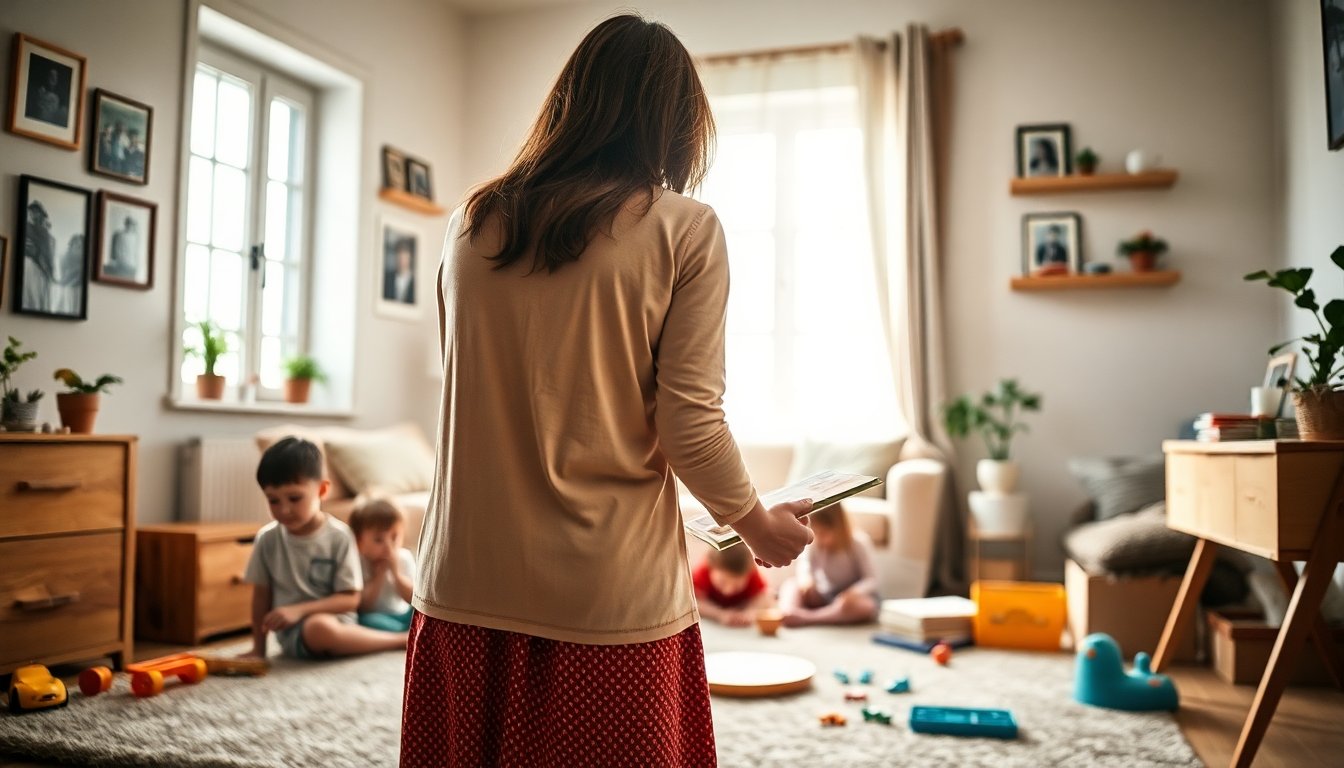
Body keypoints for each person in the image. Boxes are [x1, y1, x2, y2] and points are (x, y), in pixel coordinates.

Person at [401, 14, 813, 766]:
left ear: (570, 103)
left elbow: (473, 389)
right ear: (675, 122)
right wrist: (755, 524)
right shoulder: (684, 228)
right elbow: (688, 420)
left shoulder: (470, 220)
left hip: (461, 579)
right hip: (603, 596)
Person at [241, 437, 408, 659]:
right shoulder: (267, 539)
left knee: (320, 627)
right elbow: (261, 596)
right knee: (317, 629)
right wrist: (258, 649)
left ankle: (399, 641)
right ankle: (398, 639)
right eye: (273, 500)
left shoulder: (340, 537)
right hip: (294, 634)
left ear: (322, 490)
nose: (284, 509)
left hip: (337, 621)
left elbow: (350, 599)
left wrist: (298, 610)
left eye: (294, 498)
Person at [778, 504, 880, 627]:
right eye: (817, 532)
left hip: (848, 598)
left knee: (866, 607)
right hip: (824, 594)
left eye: (824, 532)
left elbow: (871, 579)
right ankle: (790, 612)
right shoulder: (815, 542)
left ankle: (807, 618)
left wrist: (854, 592)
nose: (820, 538)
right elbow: (805, 567)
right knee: (790, 585)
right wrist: (806, 580)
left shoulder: (858, 542)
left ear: (839, 527)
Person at [348, 495, 416, 633]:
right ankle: (404, 633)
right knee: (364, 620)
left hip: (402, 615)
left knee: (421, 613)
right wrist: (378, 576)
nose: (388, 546)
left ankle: (407, 630)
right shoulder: (357, 561)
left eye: (394, 537)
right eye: (378, 540)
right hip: (375, 616)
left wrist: (396, 575)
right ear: (359, 541)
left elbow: (414, 599)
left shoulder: (404, 558)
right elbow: (363, 606)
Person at [692, 544, 772, 627]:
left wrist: (750, 613)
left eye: (737, 585)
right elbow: (694, 602)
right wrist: (719, 614)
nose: (728, 591)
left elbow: (765, 597)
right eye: (722, 582)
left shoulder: (752, 573)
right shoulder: (703, 570)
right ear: (710, 567)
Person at [22, 201, 55, 313]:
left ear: (42, 214)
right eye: (31, 211)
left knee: (38, 300)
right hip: (31, 266)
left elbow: (48, 255)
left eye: (36, 212)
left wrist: (48, 269)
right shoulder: (27, 228)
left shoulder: (47, 235)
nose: (33, 214)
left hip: (40, 270)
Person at [105, 216, 139, 280]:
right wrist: (113, 260)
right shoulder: (118, 234)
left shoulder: (135, 237)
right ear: (125, 224)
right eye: (129, 224)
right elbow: (113, 249)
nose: (130, 226)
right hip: (119, 263)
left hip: (130, 264)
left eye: (132, 224)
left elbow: (135, 252)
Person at [383, 238, 414, 303]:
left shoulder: (415, 282)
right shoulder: (387, 278)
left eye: (404, 257)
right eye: (399, 257)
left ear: (409, 258)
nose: (401, 261)